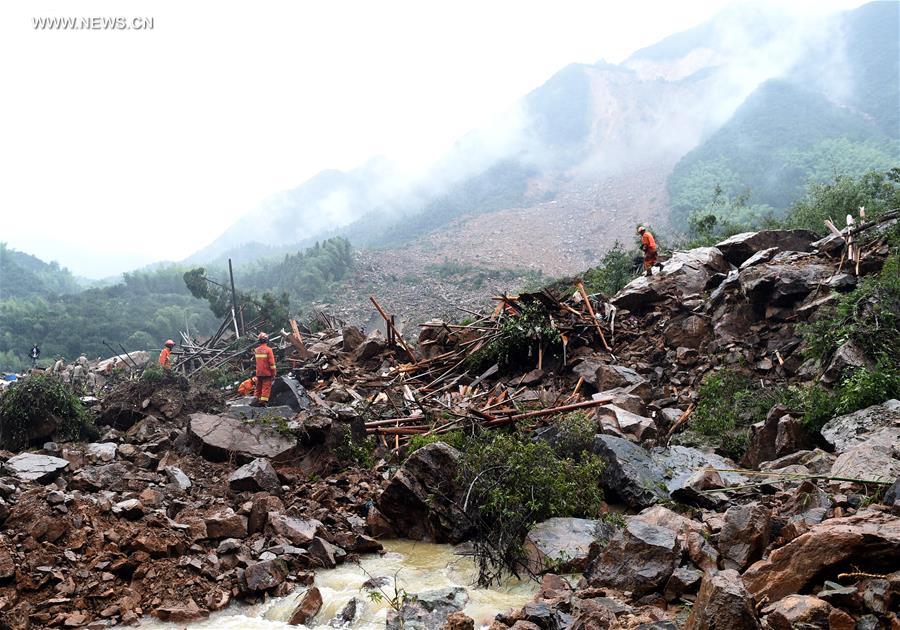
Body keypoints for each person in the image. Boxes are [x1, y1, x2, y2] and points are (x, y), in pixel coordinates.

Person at [251, 332, 276, 407]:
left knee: (258, 387)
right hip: (267, 373)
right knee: (266, 387)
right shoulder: (269, 350)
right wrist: (274, 373)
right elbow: (272, 364)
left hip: (259, 372)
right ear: (267, 340)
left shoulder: (256, 350)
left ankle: (255, 399)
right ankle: (263, 403)